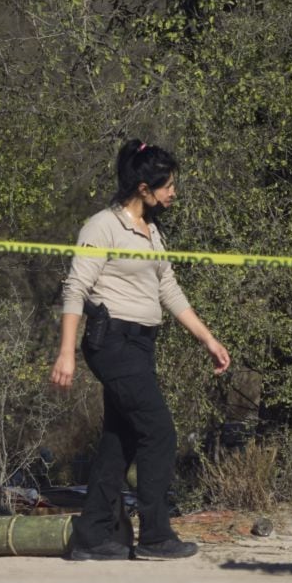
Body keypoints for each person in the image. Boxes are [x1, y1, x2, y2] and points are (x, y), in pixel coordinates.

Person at [51, 139, 230, 561]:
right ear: (144, 187)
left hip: (142, 343)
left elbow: (168, 288)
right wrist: (66, 352)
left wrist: (207, 339)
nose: (174, 193)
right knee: (159, 432)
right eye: (168, 185)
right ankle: (155, 536)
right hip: (112, 341)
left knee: (121, 439)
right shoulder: (102, 227)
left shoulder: (152, 233)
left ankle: (92, 536)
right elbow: (75, 287)